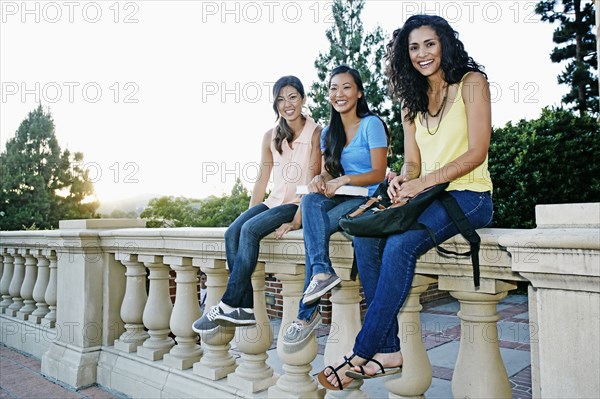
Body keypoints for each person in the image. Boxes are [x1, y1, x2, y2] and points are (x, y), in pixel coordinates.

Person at [318, 15, 494, 390]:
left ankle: (362, 351)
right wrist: (402, 179)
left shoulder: (472, 84)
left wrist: (421, 184)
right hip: (427, 196)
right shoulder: (410, 101)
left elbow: (477, 152)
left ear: (444, 43)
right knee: (365, 237)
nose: (422, 53)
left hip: (471, 196)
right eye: (413, 47)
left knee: (399, 246)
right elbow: (413, 161)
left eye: (429, 44)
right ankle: (389, 349)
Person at [192, 75, 322, 333]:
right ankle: (245, 307)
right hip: (274, 201)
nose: (287, 104)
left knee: (250, 231)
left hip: (297, 202)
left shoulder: (316, 132)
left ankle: (229, 303)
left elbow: (312, 178)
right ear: (275, 104)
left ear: (303, 99)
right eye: (281, 99)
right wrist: (251, 212)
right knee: (234, 231)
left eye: (293, 97)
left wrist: (297, 218)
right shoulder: (270, 136)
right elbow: (262, 179)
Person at [282, 65, 390, 350]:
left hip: (366, 198)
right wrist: (322, 178)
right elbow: (330, 173)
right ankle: (321, 272)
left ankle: (307, 315)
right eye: (333, 88)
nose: (338, 94)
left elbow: (379, 173)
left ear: (359, 92)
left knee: (313, 236)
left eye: (346, 87)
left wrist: (344, 178)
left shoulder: (372, 124)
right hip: (340, 197)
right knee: (312, 200)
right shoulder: (329, 132)